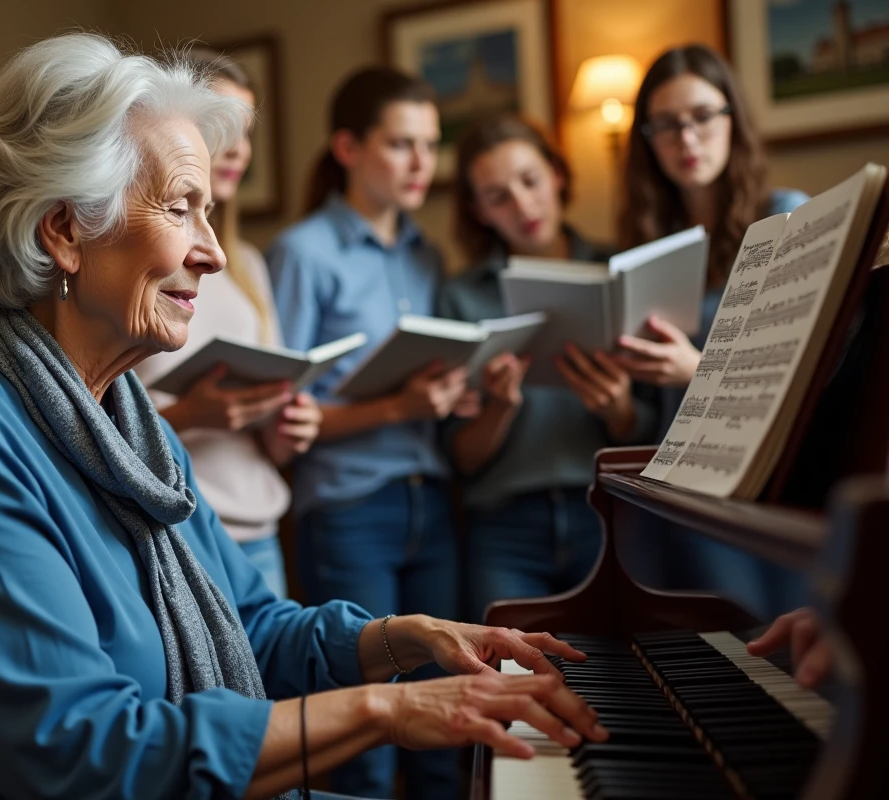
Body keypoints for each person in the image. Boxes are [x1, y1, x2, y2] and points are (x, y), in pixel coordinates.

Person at [0, 34, 608, 800]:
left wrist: (405, 637)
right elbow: (86, 757)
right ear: (64, 230)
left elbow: (252, 628)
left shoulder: (133, 431)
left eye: (209, 213)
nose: (213, 252)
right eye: (181, 209)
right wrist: (387, 706)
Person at [265, 67, 477, 799]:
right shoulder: (303, 252)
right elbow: (282, 413)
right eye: (401, 144)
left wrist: (459, 395)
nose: (423, 163)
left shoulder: (427, 254)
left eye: (430, 144)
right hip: (352, 508)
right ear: (349, 148)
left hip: (433, 503)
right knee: (367, 735)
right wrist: (400, 407)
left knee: (445, 722)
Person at [612, 44, 810, 618]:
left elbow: (804, 377)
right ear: (647, 140)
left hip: (756, 490)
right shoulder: (647, 247)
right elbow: (651, 418)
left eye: (702, 116)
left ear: (733, 119)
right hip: (670, 493)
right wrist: (619, 406)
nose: (686, 139)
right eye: (666, 126)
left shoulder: (786, 216)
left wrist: (695, 370)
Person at [436, 114, 655, 624]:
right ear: (479, 211)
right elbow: (461, 456)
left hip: (608, 513)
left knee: (623, 678)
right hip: (505, 526)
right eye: (497, 197)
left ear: (557, 174)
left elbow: (656, 429)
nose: (522, 206)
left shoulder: (621, 270)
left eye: (530, 181)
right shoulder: (460, 295)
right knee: (508, 683)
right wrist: (500, 409)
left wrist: (619, 410)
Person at [135, 48, 319, 600]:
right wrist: (194, 415)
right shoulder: (139, 266)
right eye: (222, 125)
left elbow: (271, 440)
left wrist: (288, 425)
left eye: (248, 129)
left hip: (260, 533)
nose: (239, 147)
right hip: (176, 528)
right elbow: (99, 412)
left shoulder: (250, 267)